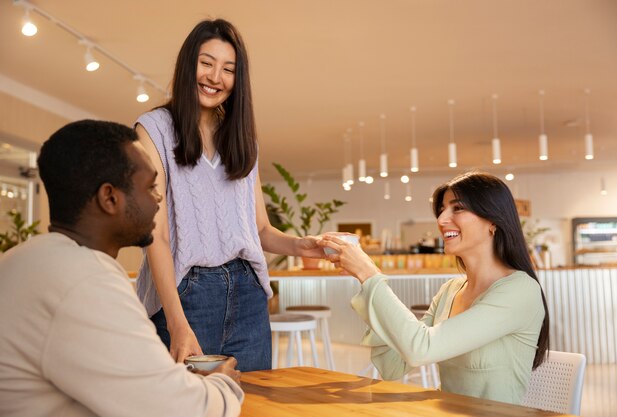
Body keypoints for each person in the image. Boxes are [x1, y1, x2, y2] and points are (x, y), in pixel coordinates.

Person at [0, 120, 243, 417]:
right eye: (151, 186)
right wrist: (223, 382)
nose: (158, 198)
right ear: (110, 198)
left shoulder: (24, 259)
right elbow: (182, 410)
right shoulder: (85, 283)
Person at [135, 19, 322, 372]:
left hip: (248, 293)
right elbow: (155, 235)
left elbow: (261, 230)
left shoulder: (242, 141)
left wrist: (301, 246)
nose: (215, 77)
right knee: (187, 406)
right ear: (188, 64)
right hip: (186, 294)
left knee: (251, 403)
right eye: (206, 63)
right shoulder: (153, 129)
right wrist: (176, 323)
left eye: (228, 69)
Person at [320, 171, 550, 405]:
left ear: (493, 221)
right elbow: (392, 366)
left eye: (457, 208)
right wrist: (367, 286)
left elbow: (421, 349)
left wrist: (370, 275)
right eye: (441, 209)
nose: (441, 220)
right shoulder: (451, 289)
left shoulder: (520, 290)